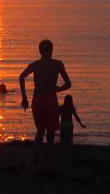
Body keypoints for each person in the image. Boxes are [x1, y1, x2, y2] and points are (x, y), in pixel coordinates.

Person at [19, 40, 71, 169]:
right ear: (51, 50)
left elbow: (21, 77)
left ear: (40, 51)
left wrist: (24, 98)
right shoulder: (57, 64)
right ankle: (47, 160)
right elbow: (68, 83)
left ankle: (37, 156)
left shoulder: (35, 65)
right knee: (51, 133)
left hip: (38, 99)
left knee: (40, 131)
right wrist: (58, 89)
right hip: (50, 99)